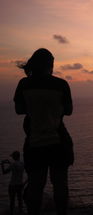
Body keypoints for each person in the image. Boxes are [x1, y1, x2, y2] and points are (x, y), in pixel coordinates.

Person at [13, 48, 74, 215]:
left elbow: (19, 109)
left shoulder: (24, 84)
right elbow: (68, 111)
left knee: (35, 186)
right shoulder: (61, 84)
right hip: (58, 141)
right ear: (50, 65)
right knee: (60, 185)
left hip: (34, 142)